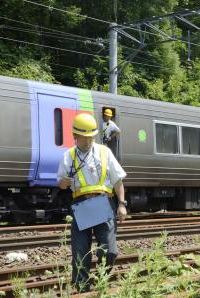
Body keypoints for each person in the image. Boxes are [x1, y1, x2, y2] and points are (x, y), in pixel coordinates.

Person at [57, 113, 127, 292]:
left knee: (110, 250)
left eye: (90, 137)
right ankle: (82, 288)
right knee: (80, 251)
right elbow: (61, 184)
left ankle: (101, 279)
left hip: (104, 203)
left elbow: (118, 181)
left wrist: (122, 204)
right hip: (81, 206)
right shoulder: (68, 156)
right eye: (84, 138)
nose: (87, 141)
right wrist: (64, 182)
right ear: (75, 136)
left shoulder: (104, 152)